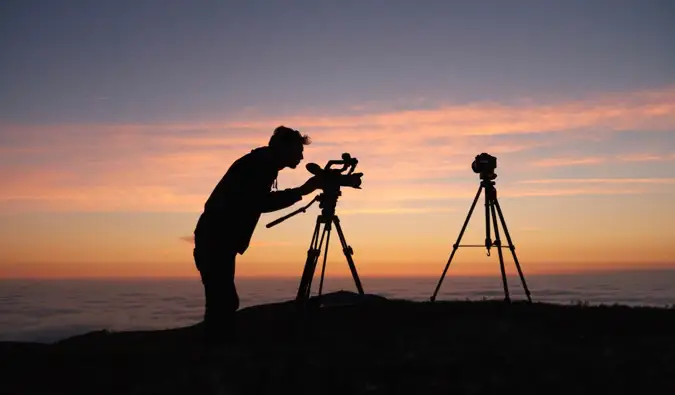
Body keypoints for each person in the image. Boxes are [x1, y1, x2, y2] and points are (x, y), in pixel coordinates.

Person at [193, 126, 319, 348]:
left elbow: (256, 201)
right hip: (216, 240)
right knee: (222, 303)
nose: (301, 156)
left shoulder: (262, 164)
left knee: (222, 302)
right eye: (298, 150)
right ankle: (214, 359)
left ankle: (216, 354)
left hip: (217, 239)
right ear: (283, 147)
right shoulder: (258, 166)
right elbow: (260, 202)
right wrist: (302, 191)